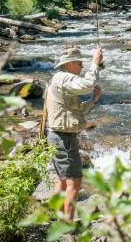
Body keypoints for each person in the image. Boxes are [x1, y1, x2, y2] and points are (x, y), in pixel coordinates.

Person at [46, 45, 103, 221]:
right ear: (69, 64)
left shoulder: (61, 79)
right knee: (74, 181)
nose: (81, 66)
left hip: (58, 136)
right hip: (63, 138)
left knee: (62, 181)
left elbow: (79, 110)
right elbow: (87, 85)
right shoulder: (64, 78)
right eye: (79, 63)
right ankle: (68, 226)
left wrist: (93, 100)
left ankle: (56, 219)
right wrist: (95, 62)